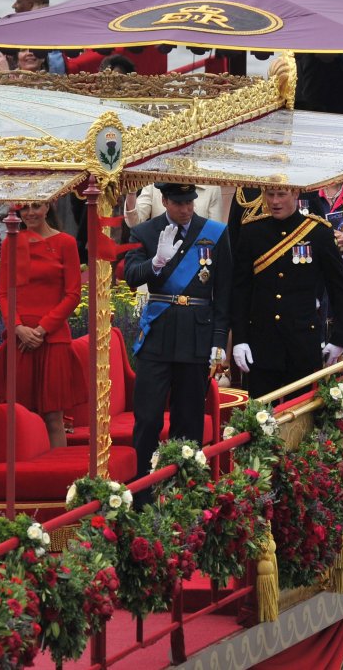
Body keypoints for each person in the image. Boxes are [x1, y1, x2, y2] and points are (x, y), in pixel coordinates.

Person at [123, 184, 231, 492]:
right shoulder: (145, 232)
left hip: (196, 337)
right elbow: (131, 274)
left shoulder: (214, 233)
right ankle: (142, 493)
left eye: (190, 201)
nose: (185, 208)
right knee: (147, 419)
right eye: (178, 202)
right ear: (164, 200)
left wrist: (219, 341)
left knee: (189, 420)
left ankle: (186, 493)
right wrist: (155, 262)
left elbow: (223, 292)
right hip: (157, 337)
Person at [231, 187, 343, 400]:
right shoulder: (252, 232)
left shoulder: (318, 232)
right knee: (260, 416)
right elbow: (241, 290)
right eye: (270, 195)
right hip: (262, 341)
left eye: (281, 195)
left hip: (301, 341)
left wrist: (340, 337)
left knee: (300, 417)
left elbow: (340, 288)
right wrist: (239, 339)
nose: (275, 201)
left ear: (296, 194)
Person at [0, 202, 86, 448]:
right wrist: (18, 328)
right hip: (20, 339)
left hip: (52, 338)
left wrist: (41, 330)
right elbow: (4, 294)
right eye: (24, 208)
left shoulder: (66, 243)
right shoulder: (10, 243)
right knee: (19, 415)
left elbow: (73, 294)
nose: (30, 213)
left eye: (36, 207)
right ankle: (20, 480)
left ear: (48, 207)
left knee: (53, 418)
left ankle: (56, 481)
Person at [125, 183, 225, 228]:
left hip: (194, 257)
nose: (184, 210)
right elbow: (134, 223)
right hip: (160, 256)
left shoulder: (211, 186)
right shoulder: (155, 182)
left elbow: (214, 233)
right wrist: (131, 192)